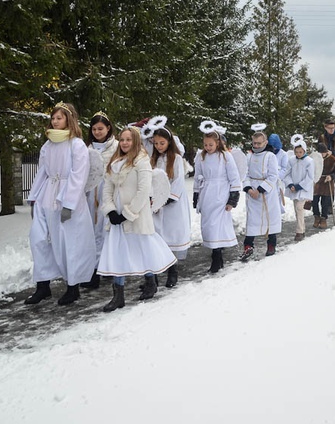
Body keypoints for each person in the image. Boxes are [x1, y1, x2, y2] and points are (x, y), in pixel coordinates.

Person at [97, 126, 176, 312]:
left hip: (136, 216)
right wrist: (110, 211)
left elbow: (143, 191)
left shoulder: (142, 161)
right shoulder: (114, 162)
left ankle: (150, 281)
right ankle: (118, 295)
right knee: (117, 254)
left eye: (129, 140)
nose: (125, 143)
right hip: (116, 218)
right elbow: (107, 189)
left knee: (142, 249)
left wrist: (127, 213)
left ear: (136, 141)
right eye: (122, 139)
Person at [26, 102, 96, 306]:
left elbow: (78, 175)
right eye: (53, 118)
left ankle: (73, 287)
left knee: (68, 242)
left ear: (69, 119)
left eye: (59, 118)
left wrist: (69, 203)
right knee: (39, 239)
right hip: (47, 195)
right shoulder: (48, 145)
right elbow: (43, 172)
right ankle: (42, 286)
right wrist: (34, 198)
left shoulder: (76, 144)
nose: (55, 121)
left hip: (66, 197)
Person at [193, 122, 241, 273]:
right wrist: (196, 195)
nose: (208, 147)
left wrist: (233, 198)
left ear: (218, 142)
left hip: (221, 193)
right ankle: (216, 254)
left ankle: (217, 255)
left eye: (210, 144)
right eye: (205, 144)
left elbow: (234, 177)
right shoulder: (201, 157)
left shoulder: (225, 157)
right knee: (208, 225)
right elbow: (197, 177)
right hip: (207, 193)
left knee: (217, 225)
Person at [150, 124, 191, 288]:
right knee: (158, 238)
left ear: (169, 142)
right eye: (156, 143)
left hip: (172, 204)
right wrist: (152, 198)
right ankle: (156, 273)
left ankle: (173, 271)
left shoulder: (176, 159)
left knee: (172, 237)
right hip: (156, 205)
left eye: (162, 143)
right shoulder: (153, 159)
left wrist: (167, 198)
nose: (159, 146)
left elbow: (178, 181)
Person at [82, 111, 118, 290]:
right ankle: (94, 269)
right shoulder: (86, 148)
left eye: (101, 128)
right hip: (91, 193)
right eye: (94, 129)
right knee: (92, 230)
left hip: (109, 191)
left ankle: (109, 266)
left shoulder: (117, 146)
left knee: (107, 230)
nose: (97, 132)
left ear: (108, 128)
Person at [240, 128, 282, 260]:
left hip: (266, 194)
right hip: (252, 193)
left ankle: (271, 244)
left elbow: (273, 175)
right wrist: (248, 189)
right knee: (252, 219)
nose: (256, 146)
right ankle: (248, 246)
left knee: (269, 219)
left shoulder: (271, 156)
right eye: (254, 143)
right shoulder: (249, 156)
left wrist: (260, 189)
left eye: (259, 143)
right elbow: (244, 174)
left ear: (265, 142)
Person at [283, 134, 315, 241]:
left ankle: (299, 231)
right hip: (293, 189)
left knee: (299, 208)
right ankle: (302, 228)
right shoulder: (292, 160)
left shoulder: (309, 161)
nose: (298, 154)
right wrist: (291, 184)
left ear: (304, 151)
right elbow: (287, 173)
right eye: (296, 152)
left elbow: (310, 177)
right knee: (296, 209)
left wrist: (299, 186)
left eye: (300, 152)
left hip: (303, 189)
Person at [312, 143, 335, 227]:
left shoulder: (332, 159)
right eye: (320, 153)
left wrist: (331, 176)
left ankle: (324, 218)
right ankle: (316, 217)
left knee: (325, 203)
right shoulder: (314, 159)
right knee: (314, 201)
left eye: (323, 153)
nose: (321, 155)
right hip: (317, 182)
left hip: (327, 183)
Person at [268, 133, 289, 215]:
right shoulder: (268, 153)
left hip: (279, 180)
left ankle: (278, 213)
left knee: (277, 198)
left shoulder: (283, 154)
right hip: (269, 179)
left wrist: (277, 176)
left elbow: (285, 168)